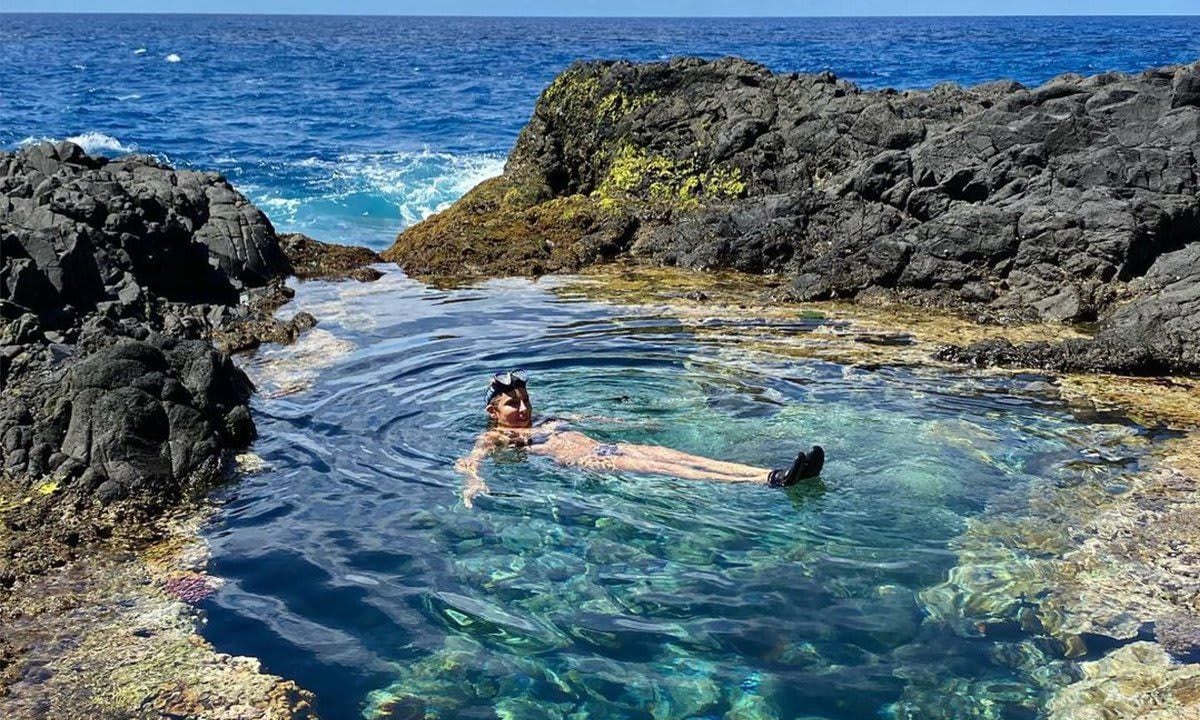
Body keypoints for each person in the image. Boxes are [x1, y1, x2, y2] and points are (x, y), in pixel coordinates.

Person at [456, 370, 824, 508]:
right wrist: (472, 484)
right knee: (667, 468)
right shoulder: (497, 438)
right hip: (595, 462)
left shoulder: (550, 419)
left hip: (614, 446)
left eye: (524, 400)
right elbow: (470, 460)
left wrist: (643, 422)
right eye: (511, 404)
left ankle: (773, 472)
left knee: (671, 453)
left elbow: (594, 418)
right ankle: (770, 482)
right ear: (493, 413)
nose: (521, 409)